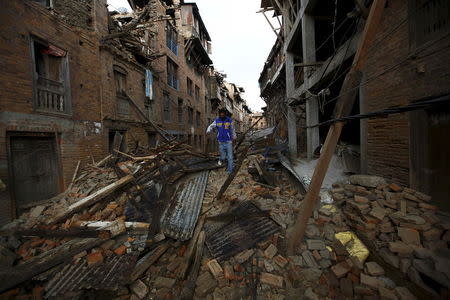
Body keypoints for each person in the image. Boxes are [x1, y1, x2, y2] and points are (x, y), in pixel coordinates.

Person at [206, 108, 237, 174]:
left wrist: (234, 137)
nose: (222, 115)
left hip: (228, 141)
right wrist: (208, 130)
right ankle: (220, 160)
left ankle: (230, 171)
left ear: (225, 114)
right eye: (221, 114)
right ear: (219, 114)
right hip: (221, 142)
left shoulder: (229, 120)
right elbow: (211, 126)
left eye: (223, 114)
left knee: (230, 157)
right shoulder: (217, 121)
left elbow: (232, 129)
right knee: (223, 157)